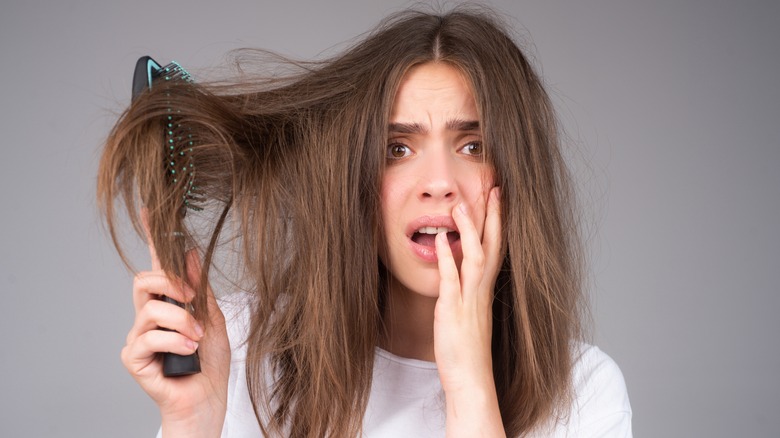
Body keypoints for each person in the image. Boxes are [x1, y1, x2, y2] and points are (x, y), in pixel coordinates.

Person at [98, 7, 632, 437]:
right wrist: (193, 422)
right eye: (397, 148)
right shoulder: (238, 349)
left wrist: (470, 382)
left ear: (519, 178)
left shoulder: (584, 392)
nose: (439, 182)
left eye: (473, 145)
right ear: (354, 178)